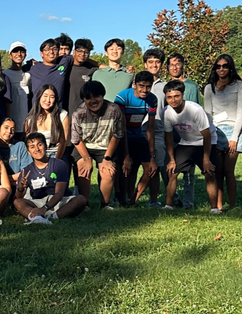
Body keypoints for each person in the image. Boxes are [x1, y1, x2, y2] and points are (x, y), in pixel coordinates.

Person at [162, 80, 220, 213]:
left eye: (176, 96)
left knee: (208, 173)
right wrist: (171, 160)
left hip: (205, 142)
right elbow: (168, 137)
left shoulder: (195, 110)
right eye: (169, 97)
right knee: (172, 172)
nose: (173, 100)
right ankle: (168, 206)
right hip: (186, 142)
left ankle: (214, 208)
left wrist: (206, 159)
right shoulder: (166, 112)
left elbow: (207, 135)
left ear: (183, 95)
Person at [71, 80, 125, 209]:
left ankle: (105, 204)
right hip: (84, 146)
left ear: (102, 95)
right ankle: (85, 204)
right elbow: (76, 139)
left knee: (108, 172)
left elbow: (117, 135)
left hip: (106, 147)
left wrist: (107, 158)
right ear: (83, 99)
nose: (93, 101)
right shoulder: (78, 113)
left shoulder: (114, 109)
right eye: (88, 98)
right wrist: (86, 159)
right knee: (84, 169)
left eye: (96, 96)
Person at [13, 133, 87, 224]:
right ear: (28, 152)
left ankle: (52, 216)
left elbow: (59, 193)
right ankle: (36, 218)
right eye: (32, 147)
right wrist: (20, 188)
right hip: (38, 201)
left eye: (40, 145)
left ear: (46, 146)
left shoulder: (58, 164)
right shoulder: (27, 170)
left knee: (80, 199)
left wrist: (44, 209)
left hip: (59, 201)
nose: (37, 149)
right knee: (18, 202)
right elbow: (18, 197)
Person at [204, 54, 242, 210]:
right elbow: (208, 114)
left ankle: (232, 206)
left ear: (230, 68)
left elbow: (241, 112)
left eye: (225, 66)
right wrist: (212, 137)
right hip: (216, 131)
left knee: (229, 170)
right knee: (218, 171)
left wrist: (234, 138)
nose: (221, 69)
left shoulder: (239, 85)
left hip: (234, 130)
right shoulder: (209, 88)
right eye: (218, 66)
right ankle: (219, 206)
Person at [114, 71, 159, 207]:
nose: (145, 90)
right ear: (134, 84)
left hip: (138, 134)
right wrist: (126, 155)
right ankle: (121, 199)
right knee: (125, 168)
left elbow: (150, 128)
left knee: (149, 169)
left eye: (148, 86)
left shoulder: (152, 99)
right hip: (122, 135)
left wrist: (151, 155)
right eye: (141, 86)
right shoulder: (122, 97)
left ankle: (132, 200)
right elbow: (121, 127)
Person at [166, 53, 201, 208]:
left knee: (189, 172)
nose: (175, 67)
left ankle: (188, 203)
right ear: (167, 67)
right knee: (170, 169)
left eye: (178, 64)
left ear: (183, 66)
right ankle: (173, 200)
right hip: (171, 133)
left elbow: (198, 108)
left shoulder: (192, 86)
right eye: (171, 64)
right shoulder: (166, 86)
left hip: (189, 134)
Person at [142, 49, 171, 204]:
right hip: (138, 129)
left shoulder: (165, 86)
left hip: (158, 130)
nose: (154, 65)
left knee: (156, 167)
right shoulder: (137, 83)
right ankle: (127, 198)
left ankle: (153, 200)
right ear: (145, 64)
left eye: (157, 62)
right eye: (151, 62)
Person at [24, 84, 68, 159]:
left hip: (56, 153)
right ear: (39, 97)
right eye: (45, 96)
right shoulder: (30, 119)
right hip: (37, 154)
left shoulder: (62, 115)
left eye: (52, 97)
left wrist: (56, 161)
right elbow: (29, 143)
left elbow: (63, 142)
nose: (48, 100)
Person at [27, 39, 73, 110]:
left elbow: (80, 55)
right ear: (41, 54)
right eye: (47, 49)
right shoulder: (32, 68)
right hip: (37, 111)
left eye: (54, 49)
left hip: (57, 111)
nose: (51, 52)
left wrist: (93, 64)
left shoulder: (64, 62)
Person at [3, 41, 31, 142]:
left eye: (22, 51)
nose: (19, 54)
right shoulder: (4, 74)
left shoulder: (28, 76)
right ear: (10, 55)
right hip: (9, 126)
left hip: (24, 126)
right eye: (15, 51)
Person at [92, 38, 134, 102]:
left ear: (123, 52)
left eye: (118, 49)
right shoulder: (97, 74)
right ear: (106, 53)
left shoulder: (129, 74)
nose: (115, 51)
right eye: (111, 49)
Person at [0, 118, 33, 188]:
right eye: (6, 128)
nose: (9, 131)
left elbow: (26, 172)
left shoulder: (20, 145)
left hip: (19, 184)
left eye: (12, 129)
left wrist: (5, 179)